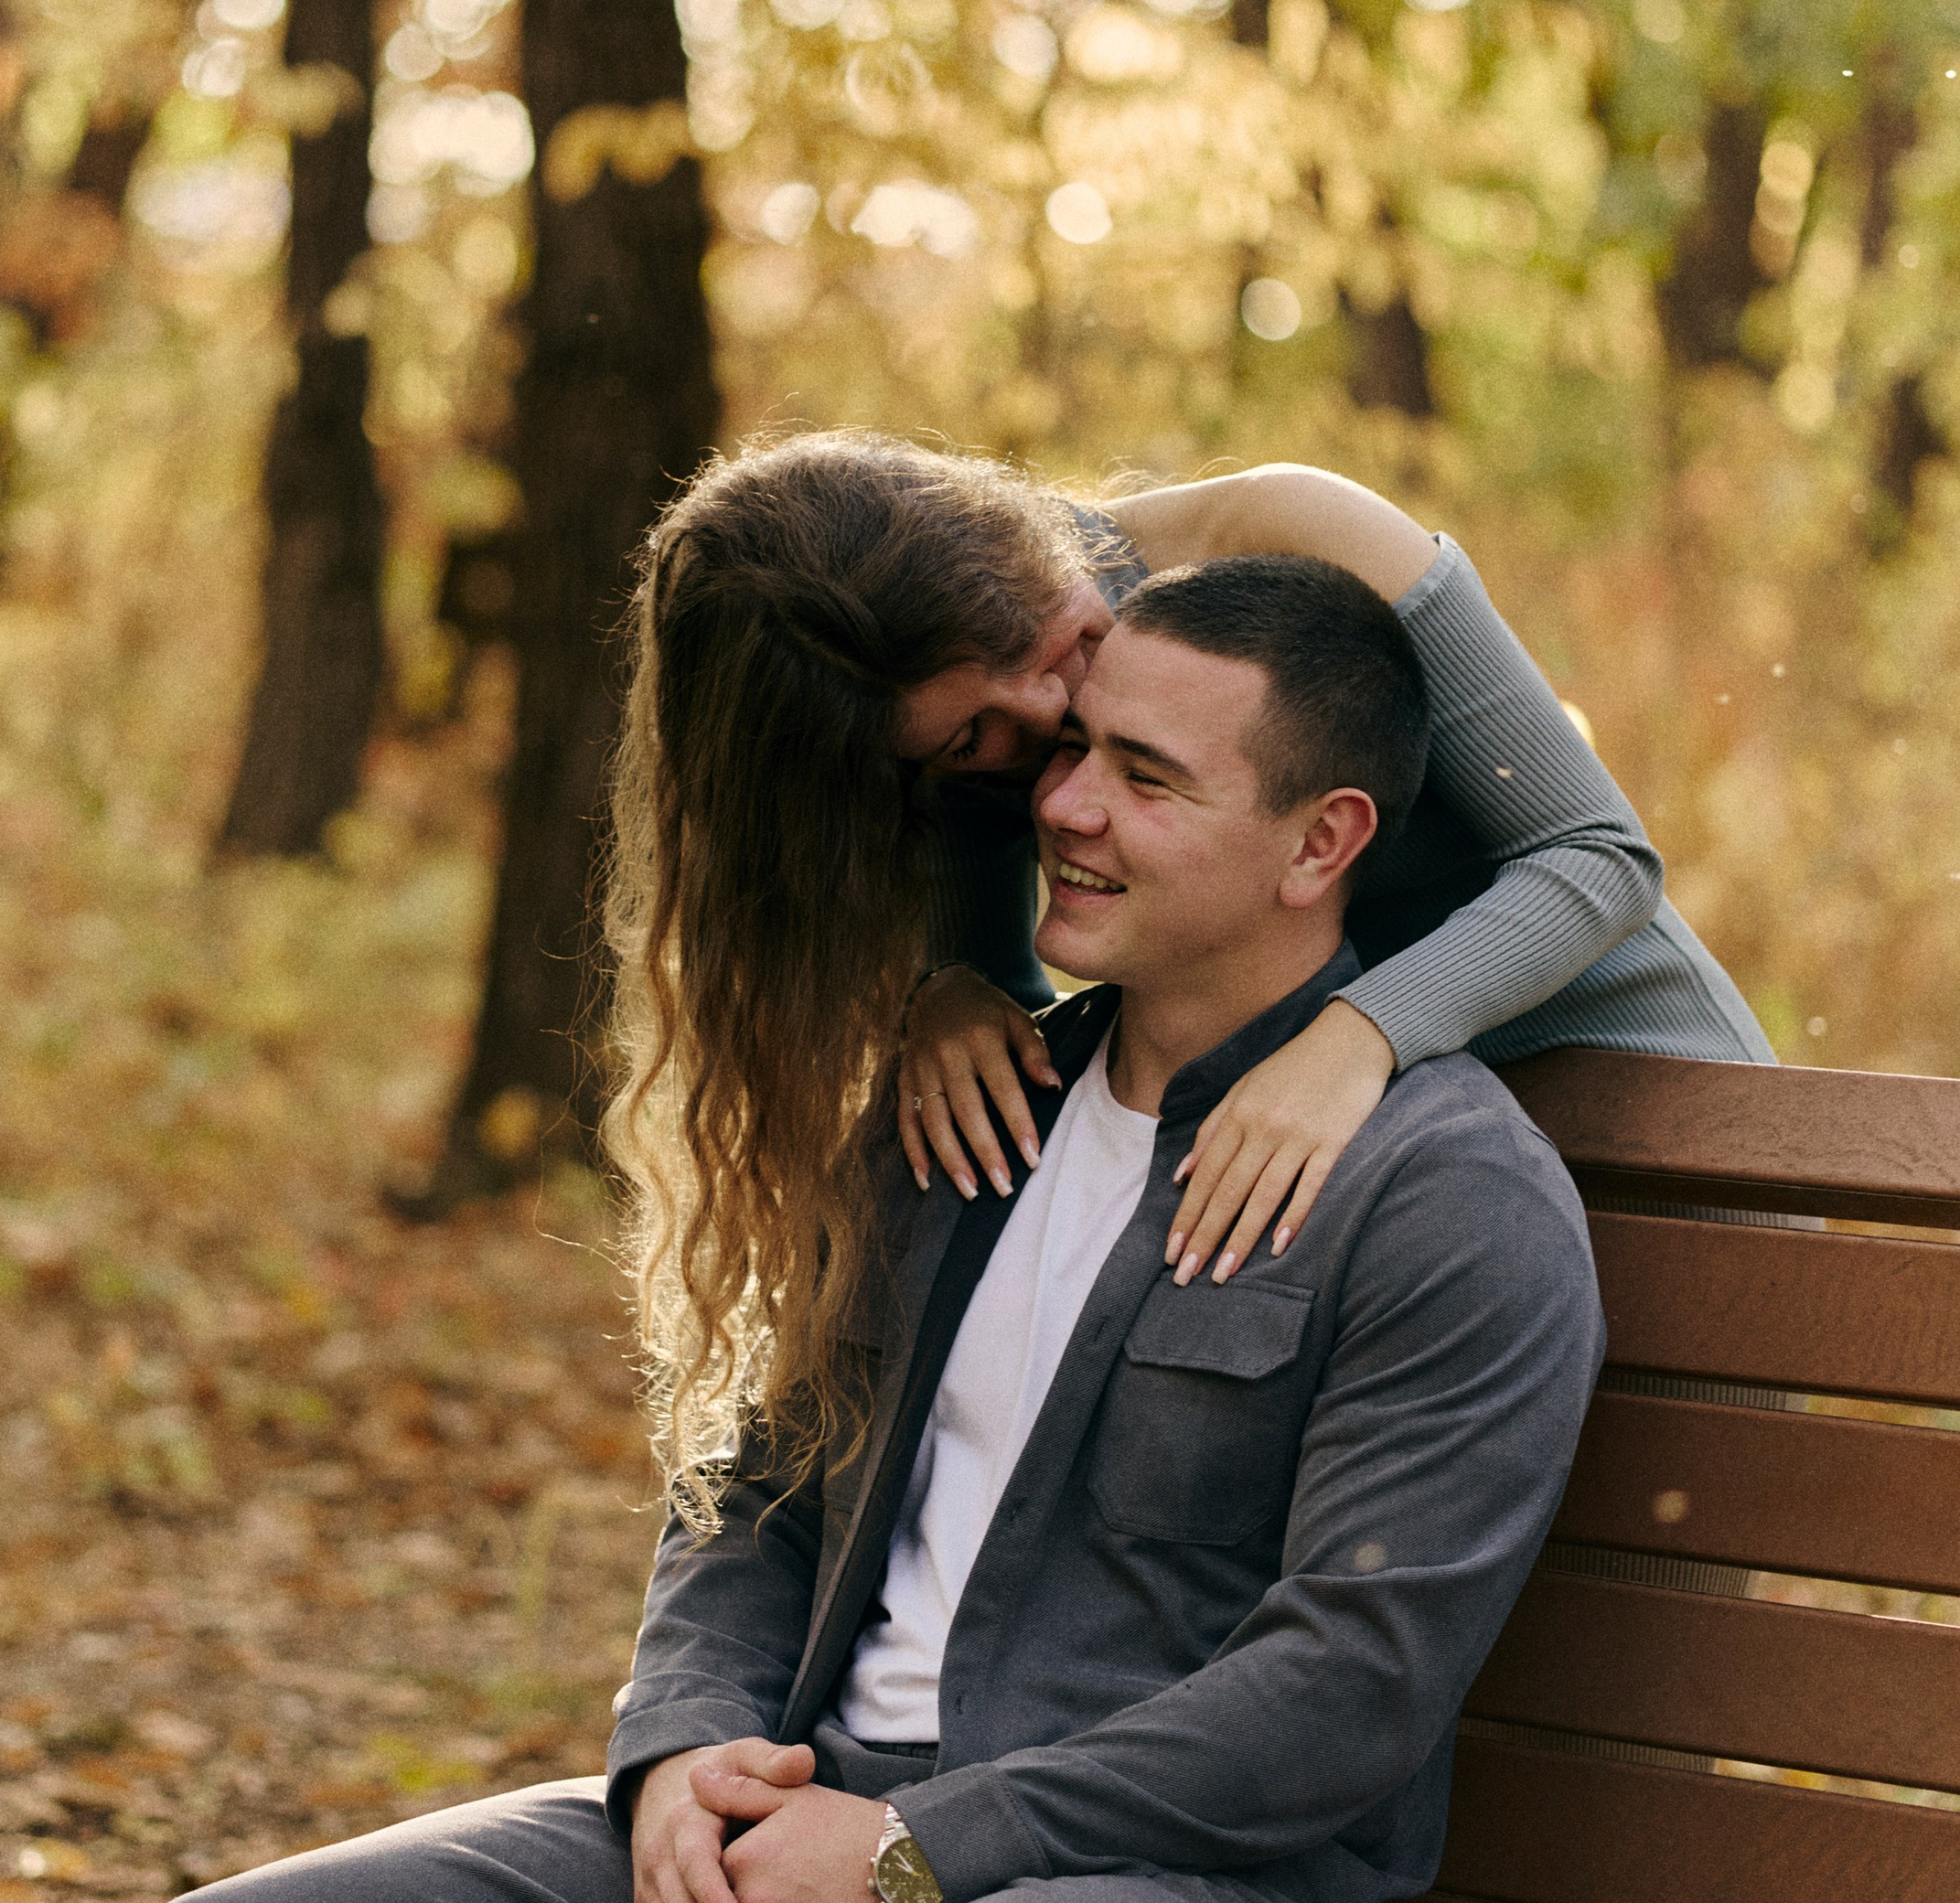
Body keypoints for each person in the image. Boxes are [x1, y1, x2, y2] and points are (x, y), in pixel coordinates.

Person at [0, 555, 1605, 1903]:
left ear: (1319, 842)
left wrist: (921, 1854)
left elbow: (1343, 1695)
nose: (1065, 806)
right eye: (1071, 752)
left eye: (1145, 777)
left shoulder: (1439, 1201)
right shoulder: (970, 1102)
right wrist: (676, 1761)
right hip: (797, 1826)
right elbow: (755, 1484)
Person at [603, 433, 1763, 1510]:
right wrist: (945, 990)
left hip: (1641, 1119)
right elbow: (1042, 985)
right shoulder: (939, 742)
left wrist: (1357, 1040)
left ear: (1024, 539)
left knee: (1636, 1646)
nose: (1051, 718)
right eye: (974, 741)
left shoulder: (1296, 531)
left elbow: (1598, 857)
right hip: (1345, 1200)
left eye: (1050, 644)